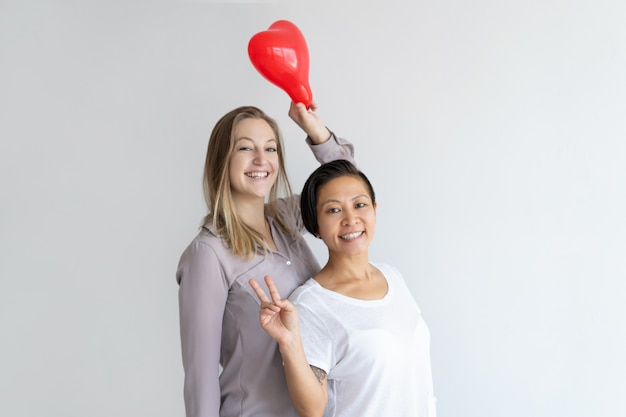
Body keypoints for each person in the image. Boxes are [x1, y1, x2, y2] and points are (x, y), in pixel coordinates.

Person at [176, 102, 355, 417]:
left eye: (270, 149)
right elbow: (200, 378)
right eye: (246, 148)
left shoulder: (286, 218)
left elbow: (345, 186)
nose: (261, 160)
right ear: (223, 159)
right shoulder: (208, 254)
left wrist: (315, 130)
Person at [249, 159, 437, 417]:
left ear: (374, 209)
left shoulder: (393, 277)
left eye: (359, 205)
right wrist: (290, 343)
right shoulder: (310, 304)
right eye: (333, 210)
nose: (351, 219)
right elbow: (312, 410)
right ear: (315, 226)